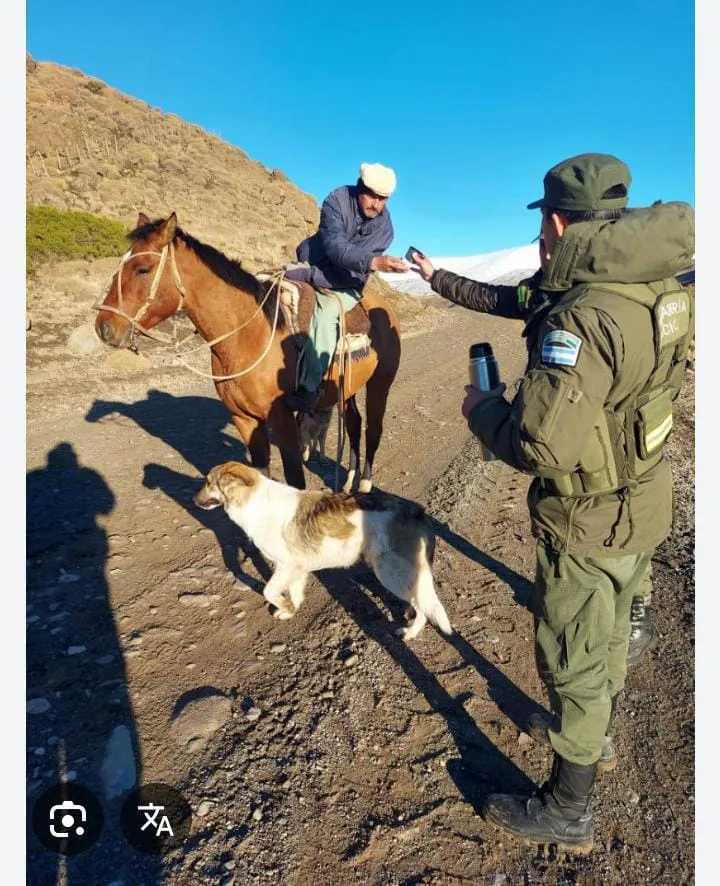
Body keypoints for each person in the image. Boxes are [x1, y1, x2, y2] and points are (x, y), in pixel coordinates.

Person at [411, 153, 694, 852]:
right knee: (614, 632)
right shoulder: (653, 284)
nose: (542, 238)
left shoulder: (584, 317)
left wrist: (482, 411)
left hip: (589, 515)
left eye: (544, 222)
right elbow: (514, 300)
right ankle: (590, 730)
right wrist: (435, 278)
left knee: (573, 653)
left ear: (559, 223)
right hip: (642, 498)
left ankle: (569, 806)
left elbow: (539, 446)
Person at [283, 162, 407, 412]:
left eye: (383, 199)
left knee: (327, 313)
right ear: (360, 188)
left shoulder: (386, 229)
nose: (377, 204)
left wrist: (309, 275)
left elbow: (351, 271)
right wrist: (372, 261)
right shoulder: (336, 200)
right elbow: (334, 245)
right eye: (372, 196)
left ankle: (310, 386)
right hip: (315, 259)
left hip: (345, 281)